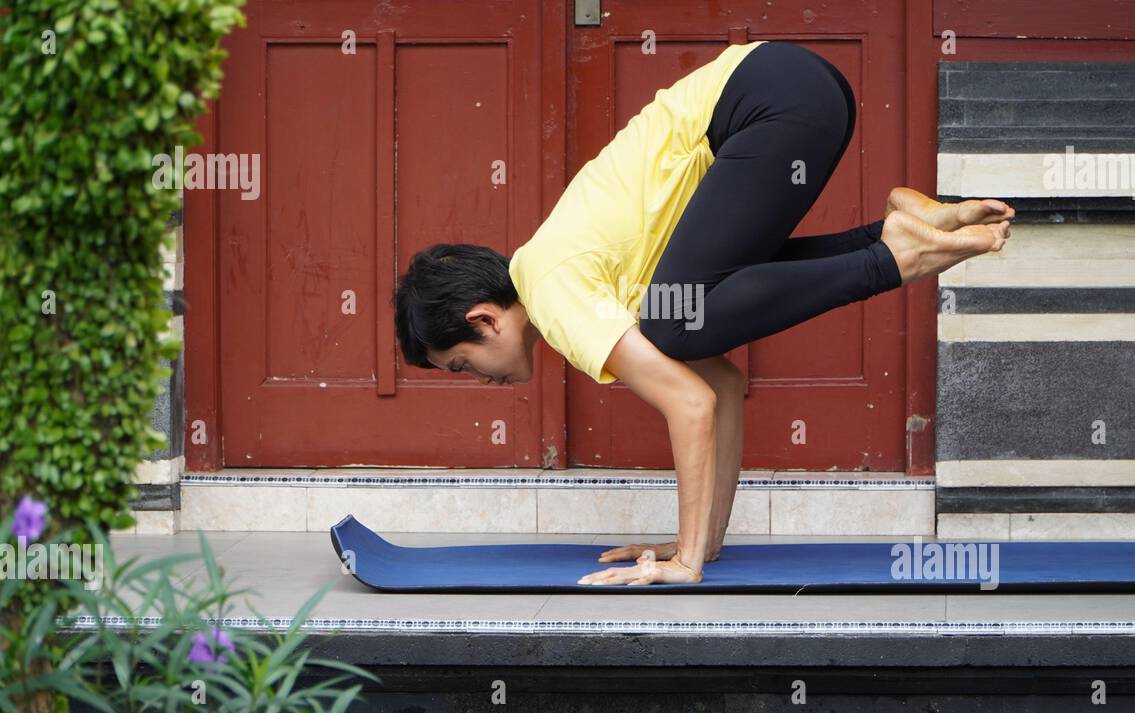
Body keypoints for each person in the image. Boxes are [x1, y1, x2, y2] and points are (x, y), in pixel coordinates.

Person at [393, 40, 1012, 587]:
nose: (480, 382)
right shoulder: (575, 272)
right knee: (682, 314)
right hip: (801, 89)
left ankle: (893, 254)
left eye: (460, 367)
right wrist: (705, 546)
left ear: (484, 320)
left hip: (768, 100)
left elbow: (687, 403)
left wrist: (682, 562)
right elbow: (721, 386)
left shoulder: (554, 295)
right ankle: (894, 231)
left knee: (671, 323)